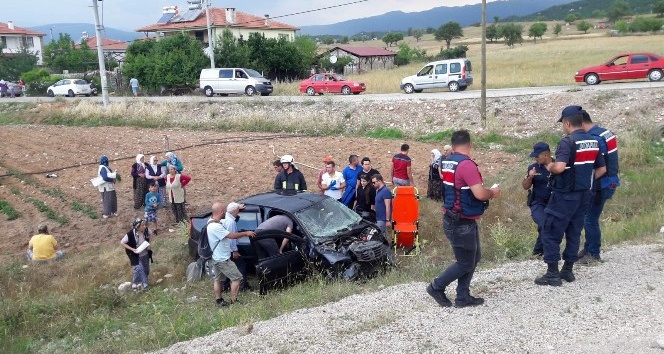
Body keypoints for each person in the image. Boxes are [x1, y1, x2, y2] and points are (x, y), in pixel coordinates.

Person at [427, 130, 501, 308]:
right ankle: (436, 287)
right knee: (465, 262)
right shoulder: (467, 165)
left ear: (452, 146)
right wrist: (493, 192)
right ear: (470, 144)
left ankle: (463, 296)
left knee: (473, 258)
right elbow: (480, 193)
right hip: (460, 221)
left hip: (457, 217)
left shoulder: (447, 161)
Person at [535, 106, 606, 287]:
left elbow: (559, 168)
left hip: (564, 196)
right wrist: (583, 181)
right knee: (574, 232)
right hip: (584, 196)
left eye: (563, 124)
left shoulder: (568, 142)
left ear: (567, 123)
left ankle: (552, 273)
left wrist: (549, 166)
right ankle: (567, 270)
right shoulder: (594, 140)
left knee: (550, 232)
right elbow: (601, 169)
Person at [578, 109, 620, 265]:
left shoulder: (595, 138)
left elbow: (600, 167)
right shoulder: (605, 132)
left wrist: (585, 182)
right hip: (611, 181)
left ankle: (593, 254)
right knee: (588, 217)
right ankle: (588, 248)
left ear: (581, 123)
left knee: (589, 219)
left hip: (601, 184)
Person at [207, 202, 256, 306]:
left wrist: (238, 207)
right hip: (223, 259)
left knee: (218, 279)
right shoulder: (216, 227)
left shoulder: (210, 222)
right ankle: (234, 301)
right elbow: (232, 236)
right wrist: (246, 233)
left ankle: (219, 300)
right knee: (237, 278)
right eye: (224, 211)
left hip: (216, 257)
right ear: (220, 212)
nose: (225, 212)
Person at [521, 142, 553, 257]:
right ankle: (548, 253)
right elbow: (525, 186)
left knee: (548, 226)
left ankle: (538, 252)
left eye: (537, 155)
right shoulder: (533, 168)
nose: (535, 158)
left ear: (546, 155)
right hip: (537, 203)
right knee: (543, 222)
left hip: (554, 204)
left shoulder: (558, 166)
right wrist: (530, 177)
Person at [221, 202, 251, 292]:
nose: (238, 212)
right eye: (237, 210)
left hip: (224, 248)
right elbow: (232, 238)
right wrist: (235, 251)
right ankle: (242, 286)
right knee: (241, 266)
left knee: (226, 268)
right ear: (234, 211)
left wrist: (238, 207)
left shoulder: (225, 217)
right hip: (230, 249)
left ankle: (224, 287)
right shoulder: (231, 223)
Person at [120, 218, 151, 291]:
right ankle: (145, 285)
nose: (144, 226)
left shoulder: (146, 230)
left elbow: (151, 234)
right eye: (142, 225)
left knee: (146, 270)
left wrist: (148, 243)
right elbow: (122, 242)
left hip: (145, 253)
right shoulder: (130, 234)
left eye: (144, 225)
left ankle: (134, 284)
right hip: (134, 254)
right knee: (140, 268)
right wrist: (132, 249)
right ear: (138, 227)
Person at [372, 174, 392, 238]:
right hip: (378, 218)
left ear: (379, 181)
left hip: (383, 219)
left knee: (381, 237)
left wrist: (388, 220)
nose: (373, 184)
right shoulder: (378, 191)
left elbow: (388, 206)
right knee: (381, 237)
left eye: (374, 182)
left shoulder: (385, 191)